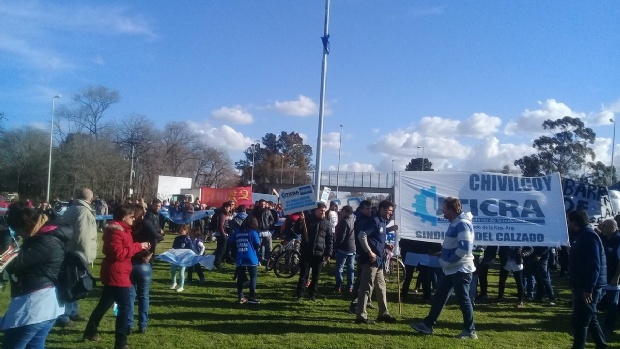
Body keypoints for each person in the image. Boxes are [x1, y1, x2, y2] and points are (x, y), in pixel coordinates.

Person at [2, 202, 71, 349]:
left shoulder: (45, 241)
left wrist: (5, 236)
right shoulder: (47, 235)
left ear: (25, 226)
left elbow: (12, 264)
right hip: (44, 307)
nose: (18, 235)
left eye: (18, 231)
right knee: (35, 346)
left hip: (34, 307)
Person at [83, 205, 150, 349]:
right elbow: (118, 254)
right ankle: (120, 342)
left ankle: (90, 331)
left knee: (104, 304)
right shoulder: (116, 232)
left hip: (121, 271)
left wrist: (141, 250)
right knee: (125, 307)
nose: (134, 219)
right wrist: (138, 246)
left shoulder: (124, 230)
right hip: (117, 274)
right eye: (131, 216)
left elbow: (124, 251)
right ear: (123, 217)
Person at [411, 197, 477, 339]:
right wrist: (444, 255)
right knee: (439, 297)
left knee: (464, 300)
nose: (443, 211)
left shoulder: (462, 224)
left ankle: (470, 331)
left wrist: (448, 261)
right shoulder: (456, 223)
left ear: (452, 209)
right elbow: (455, 246)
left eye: (445, 208)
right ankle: (428, 325)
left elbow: (465, 248)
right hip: (452, 269)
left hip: (460, 269)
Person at [58, 187, 98, 327]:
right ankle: (64, 316)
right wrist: (85, 257)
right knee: (71, 284)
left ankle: (73, 312)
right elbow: (83, 237)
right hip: (77, 253)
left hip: (68, 251)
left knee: (72, 284)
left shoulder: (71, 209)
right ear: (91, 199)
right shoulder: (84, 212)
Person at [567, 210, 607, 349]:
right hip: (582, 284)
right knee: (590, 318)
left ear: (574, 222)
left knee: (581, 322)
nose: (567, 223)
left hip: (588, 286)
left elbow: (594, 265)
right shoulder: (581, 235)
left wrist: (589, 289)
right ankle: (602, 345)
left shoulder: (589, 236)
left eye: (568, 221)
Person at [355, 200, 398, 324]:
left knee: (381, 287)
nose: (391, 214)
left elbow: (376, 239)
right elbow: (361, 236)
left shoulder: (382, 222)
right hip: (370, 260)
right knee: (366, 287)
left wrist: (385, 245)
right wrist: (369, 252)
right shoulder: (374, 221)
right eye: (390, 211)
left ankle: (383, 314)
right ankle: (361, 316)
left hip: (379, 260)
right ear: (383, 209)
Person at [128, 204, 164, 335]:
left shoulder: (128, 226)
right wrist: (150, 253)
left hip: (131, 261)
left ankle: (129, 325)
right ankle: (142, 325)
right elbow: (157, 236)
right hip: (142, 262)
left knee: (131, 296)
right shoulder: (146, 224)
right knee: (143, 296)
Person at [294, 202, 333, 301]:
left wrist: (328, 253)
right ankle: (299, 294)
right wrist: (300, 221)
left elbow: (329, 239)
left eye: (324, 210)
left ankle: (312, 294)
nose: (323, 212)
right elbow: (297, 230)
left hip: (319, 253)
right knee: (303, 275)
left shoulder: (327, 223)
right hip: (306, 251)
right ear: (315, 210)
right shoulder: (307, 220)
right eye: (321, 210)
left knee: (316, 276)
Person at [229, 216, 261, 304]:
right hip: (251, 257)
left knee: (240, 278)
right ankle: (251, 297)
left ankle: (240, 296)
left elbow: (231, 242)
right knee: (253, 277)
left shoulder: (237, 232)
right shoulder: (253, 232)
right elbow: (257, 245)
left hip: (240, 257)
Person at [599, 218, 620, 335]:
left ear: (612, 227)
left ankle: (609, 326)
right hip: (603, 277)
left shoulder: (618, 241)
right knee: (597, 301)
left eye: (604, 226)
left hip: (613, 278)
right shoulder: (604, 239)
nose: (602, 228)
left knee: (613, 305)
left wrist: (616, 277)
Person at [334, 205, 355, 294]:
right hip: (353, 247)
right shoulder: (354, 218)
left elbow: (341, 237)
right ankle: (350, 286)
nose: (340, 212)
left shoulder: (344, 222)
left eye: (342, 211)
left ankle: (338, 286)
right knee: (351, 268)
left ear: (345, 212)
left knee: (340, 268)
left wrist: (336, 245)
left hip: (343, 248)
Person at [170, 224, 193, 292]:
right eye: (179, 230)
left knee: (181, 271)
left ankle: (181, 286)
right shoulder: (177, 238)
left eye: (182, 230)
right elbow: (174, 247)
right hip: (176, 257)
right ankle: (174, 283)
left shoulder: (188, 239)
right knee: (173, 270)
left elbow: (191, 249)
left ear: (186, 231)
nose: (180, 232)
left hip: (184, 258)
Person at [213, 201, 234, 269]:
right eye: (228, 207)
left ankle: (218, 261)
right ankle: (217, 263)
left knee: (222, 249)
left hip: (224, 233)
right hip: (222, 234)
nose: (229, 208)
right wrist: (223, 234)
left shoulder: (225, 214)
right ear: (225, 207)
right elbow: (220, 226)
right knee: (221, 249)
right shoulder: (222, 215)